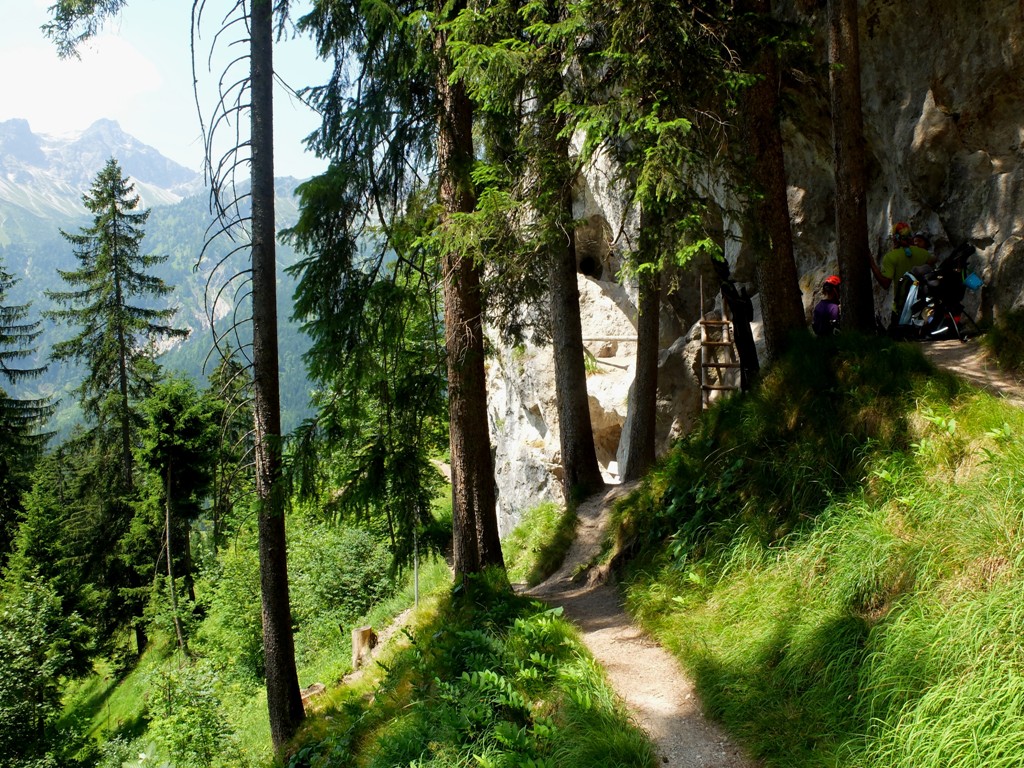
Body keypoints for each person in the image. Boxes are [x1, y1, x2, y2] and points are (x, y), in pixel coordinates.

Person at [869, 221, 936, 330]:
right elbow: (932, 262)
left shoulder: (891, 257)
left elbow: (885, 284)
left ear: (895, 238)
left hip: (902, 307)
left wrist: (872, 264)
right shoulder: (924, 254)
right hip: (921, 306)